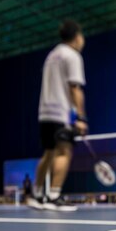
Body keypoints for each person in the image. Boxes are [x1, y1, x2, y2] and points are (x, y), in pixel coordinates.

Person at [28, 19, 88, 212]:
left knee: (48, 153)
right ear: (77, 37)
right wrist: (81, 117)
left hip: (44, 112)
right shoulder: (72, 55)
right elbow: (74, 88)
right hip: (60, 112)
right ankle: (54, 196)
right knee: (64, 151)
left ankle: (37, 195)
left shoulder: (52, 55)